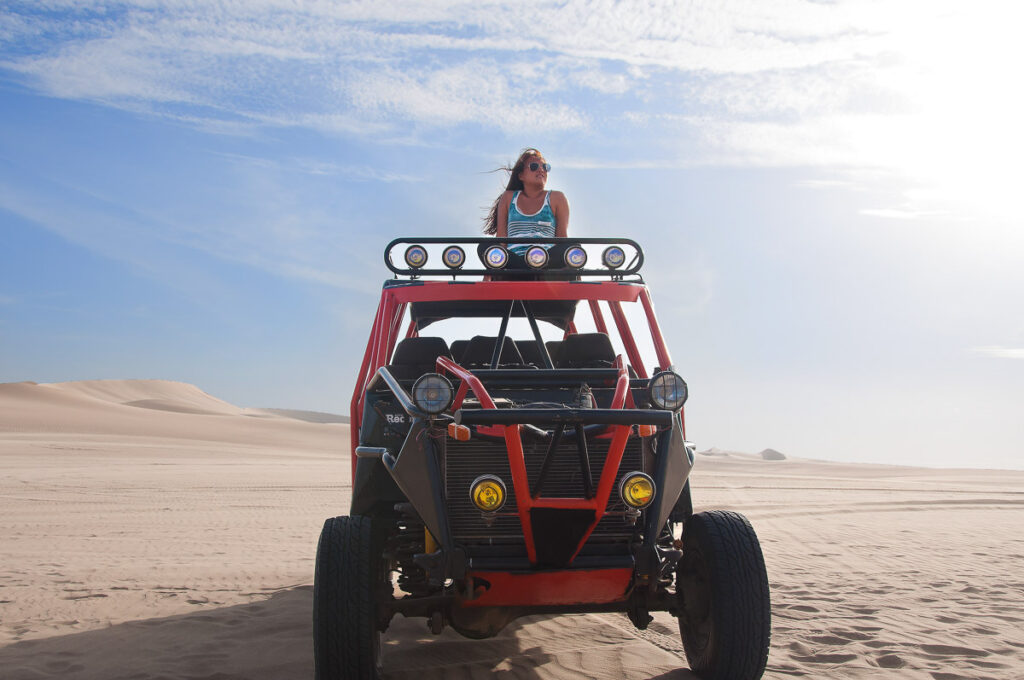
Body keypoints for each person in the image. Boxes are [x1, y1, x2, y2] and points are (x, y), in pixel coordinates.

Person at [483, 148, 570, 269]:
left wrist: (575, 276)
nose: (541, 169)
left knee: (572, 247)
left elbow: (562, 240)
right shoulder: (508, 198)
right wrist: (489, 275)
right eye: (534, 166)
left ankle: (536, 272)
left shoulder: (557, 198)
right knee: (485, 247)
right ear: (521, 175)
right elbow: (501, 241)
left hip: (546, 262)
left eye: (545, 167)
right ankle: (525, 272)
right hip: (515, 263)